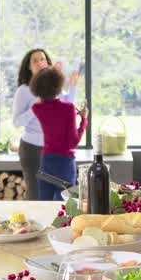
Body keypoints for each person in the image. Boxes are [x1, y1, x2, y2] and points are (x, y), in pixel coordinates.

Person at [12, 48, 79, 200]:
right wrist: (36, 107)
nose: (40, 62)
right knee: (37, 195)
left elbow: (67, 104)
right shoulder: (23, 91)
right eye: (34, 60)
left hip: (56, 150)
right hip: (32, 149)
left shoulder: (53, 86)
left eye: (42, 59)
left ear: (47, 63)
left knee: (63, 196)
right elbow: (17, 122)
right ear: (29, 67)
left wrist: (73, 86)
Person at [30, 66, 88, 201]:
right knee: (66, 206)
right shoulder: (68, 108)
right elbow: (73, 142)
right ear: (58, 85)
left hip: (46, 162)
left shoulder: (37, 108)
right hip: (65, 164)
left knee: (44, 204)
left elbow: (47, 105)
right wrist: (84, 120)